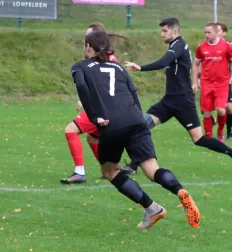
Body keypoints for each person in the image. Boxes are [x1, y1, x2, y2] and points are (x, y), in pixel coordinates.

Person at [72, 30, 201, 230]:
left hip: (111, 125)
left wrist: (95, 115)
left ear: (88, 47)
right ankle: (180, 191)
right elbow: (133, 93)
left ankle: (152, 208)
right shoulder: (118, 67)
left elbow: (81, 85)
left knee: (110, 171)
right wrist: (138, 120)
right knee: (153, 170)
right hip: (136, 121)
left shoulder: (80, 66)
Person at [123, 17, 232, 176]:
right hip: (169, 101)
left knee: (199, 139)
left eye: (165, 31)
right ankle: (133, 166)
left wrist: (140, 68)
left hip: (182, 101)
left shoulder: (178, 45)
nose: (162, 34)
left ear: (175, 31)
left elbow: (163, 62)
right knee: (142, 127)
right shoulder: (175, 45)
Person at [61, 22, 128, 184]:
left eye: (88, 36)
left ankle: (79, 172)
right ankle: (110, 170)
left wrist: (86, 101)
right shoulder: (106, 59)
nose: (86, 40)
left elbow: (104, 87)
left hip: (103, 110)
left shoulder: (103, 60)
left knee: (70, 131)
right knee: (93, 138)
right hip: (111, 108)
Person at [192, 22, 232, 142]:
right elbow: (196, 64)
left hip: (222, 83)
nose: (206, 35)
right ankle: (208, 137)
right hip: (207, 83)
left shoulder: (226, 46)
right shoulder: (201, 47)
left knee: (221, 109)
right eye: (205, 32)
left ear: (215, 32)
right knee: (207, 112)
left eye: (209, 32)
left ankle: (220, 131)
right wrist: (194, 81)